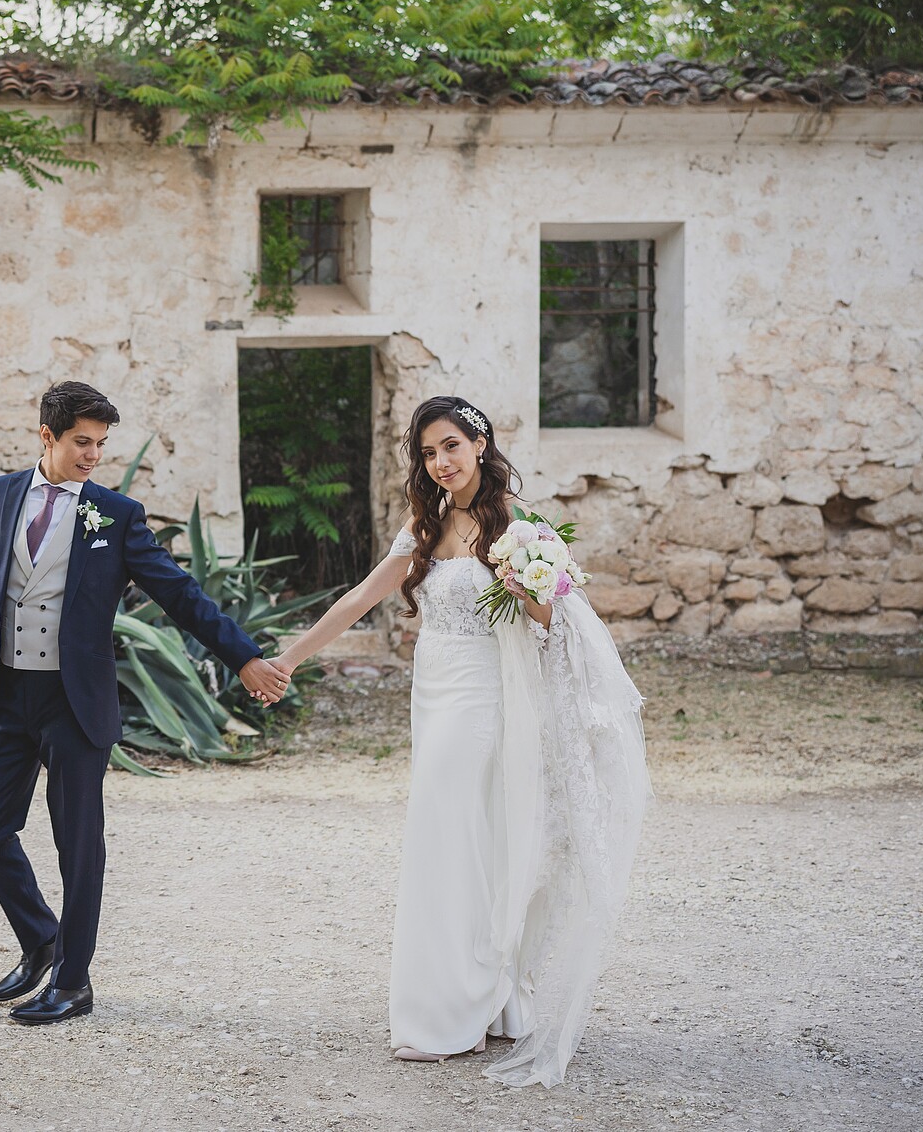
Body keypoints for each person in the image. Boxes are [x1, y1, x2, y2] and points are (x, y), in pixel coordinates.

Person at [268, 395, 650, 1087]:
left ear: (480, 443)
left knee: (452, 836)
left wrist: (526, 571)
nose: (440, 462)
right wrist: (289, 658)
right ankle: (483, 997)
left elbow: (545, 622)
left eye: (451, 445)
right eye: (428, 452)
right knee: (463, 837)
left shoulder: (522, 527)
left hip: (487, 699)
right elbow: (360, 598)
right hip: (434, 690)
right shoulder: (426, 522)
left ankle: (448, 1012)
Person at [0, 381, 290, 1026]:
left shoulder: (114, 514)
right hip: (6, 695)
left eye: (100, 444)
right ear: (47, 436)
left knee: (78, 844)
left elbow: (181, 595)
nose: (93, 455)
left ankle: (74, 980)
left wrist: (244, 655)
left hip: (75, 702)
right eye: (80, 442)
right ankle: (42, 938)